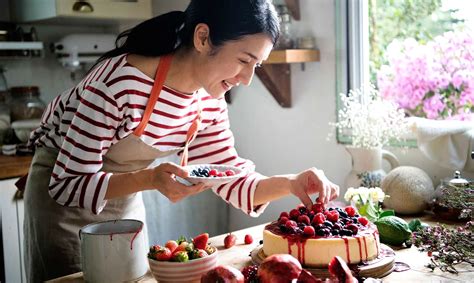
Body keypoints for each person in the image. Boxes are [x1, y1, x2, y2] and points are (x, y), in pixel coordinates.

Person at [23, 0, 339, 281]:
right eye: (243, 60)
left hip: (126, 196)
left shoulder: (209, 100)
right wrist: (148, 178)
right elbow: (67, 184)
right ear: (202, 37)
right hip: (64, 203)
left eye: (256, 66)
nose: (246, 79)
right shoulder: (119, 84)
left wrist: (292, 183)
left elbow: (230, 177)